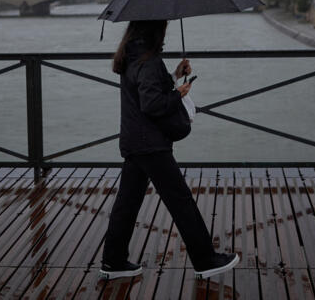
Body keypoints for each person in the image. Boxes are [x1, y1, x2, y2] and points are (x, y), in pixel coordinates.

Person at [100, 20, 239, 280]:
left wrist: (175, 74)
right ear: (155, 30)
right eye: (163, 26)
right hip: (150, 143)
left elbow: (144, 87)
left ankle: (113, 261)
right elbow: (152, 103)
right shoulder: (149, 60)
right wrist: (179, 93)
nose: (165, 30)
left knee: (127, 203)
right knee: (181, 201)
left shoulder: (130, 54)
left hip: (133, 139)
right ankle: (206, 260)